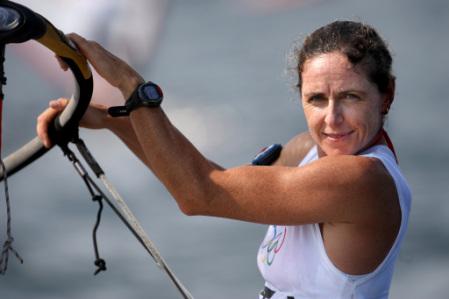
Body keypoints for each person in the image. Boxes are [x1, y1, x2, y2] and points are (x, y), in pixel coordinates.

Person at [37, 21, 411, 299]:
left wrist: (131, 85)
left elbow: (198, 193)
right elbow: (203, 176)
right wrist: (112, 120)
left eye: (351, 97)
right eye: (316, 99)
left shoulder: (363, 180)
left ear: (387, 96)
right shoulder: (308, 151)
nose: (331, 119)